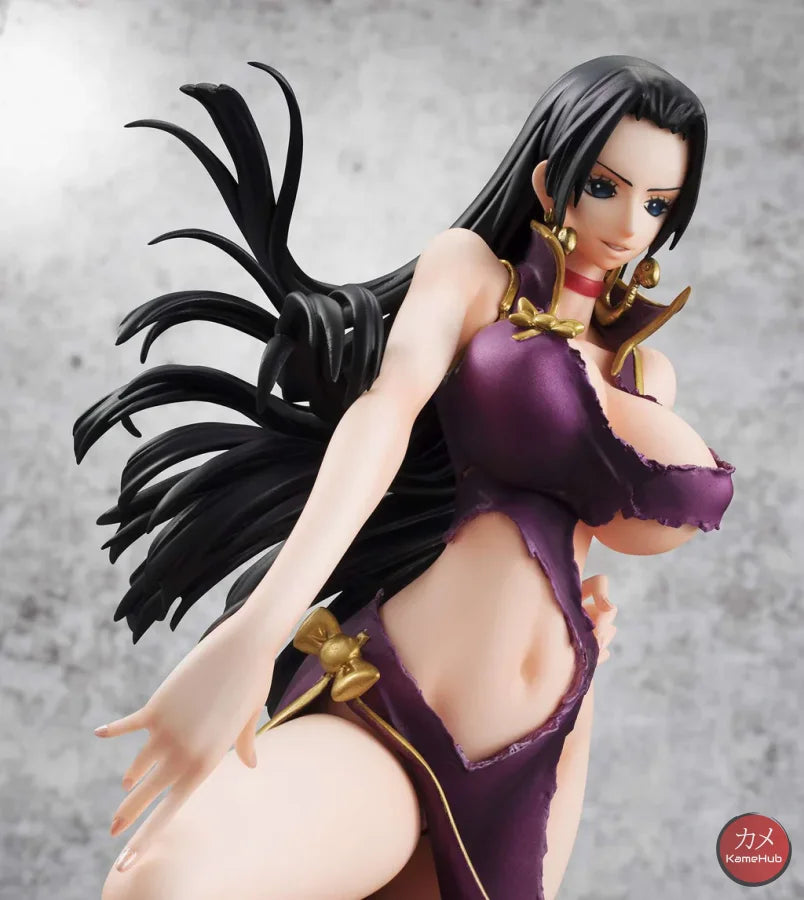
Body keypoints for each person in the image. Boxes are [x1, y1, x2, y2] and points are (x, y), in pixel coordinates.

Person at [75, 56, 734, 899]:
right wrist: (254, 634)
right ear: (549, 176)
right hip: (394, 708)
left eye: (658, 204)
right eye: (605, 187)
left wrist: (581, 622)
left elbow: (607, 521)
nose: (630, 225)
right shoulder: (473, 275)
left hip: (542, 756)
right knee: (164, 886)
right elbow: (384, 414)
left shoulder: (646, 376)